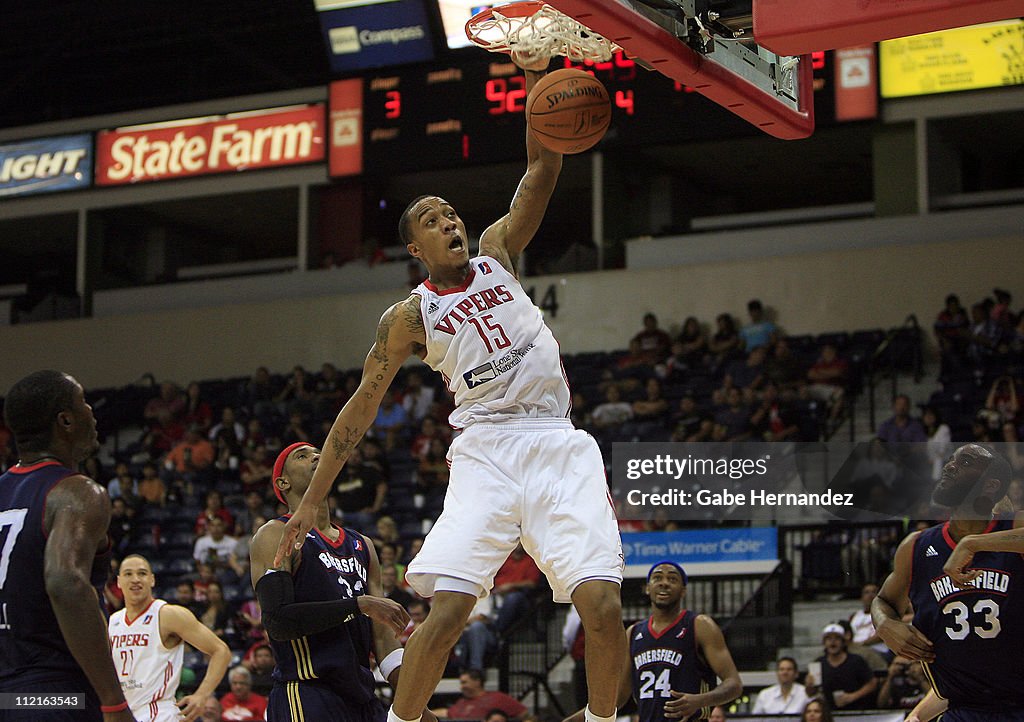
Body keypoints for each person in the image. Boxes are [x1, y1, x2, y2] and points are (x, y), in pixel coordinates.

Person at [273, 52, 625, 722]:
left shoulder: (497, 254)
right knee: (448, 613)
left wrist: (532, 83)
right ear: (416, 248)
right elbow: (359, 411)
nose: (448, 221)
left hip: (555, 441)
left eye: (450, 212)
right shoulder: (408, 316)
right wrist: (309, 504)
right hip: (487, 450)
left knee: (604, 607)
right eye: (431, 219)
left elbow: (543, 169)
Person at [0, 370, 137, 721]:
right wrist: (114, 703)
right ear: (66, 420)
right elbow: (65, 583)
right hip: (54, 696)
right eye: (84, 403)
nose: (91, 411)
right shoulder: (77, 492)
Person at [249, 443, 417, 722]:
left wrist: (413, 701)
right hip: (307, 690)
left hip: (362, 697)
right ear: (283, 482)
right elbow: (278, 621)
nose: (316, 456)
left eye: (319, 453)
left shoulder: (362, 545)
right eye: (302, 456)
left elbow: (383, 637)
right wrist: (358, 604)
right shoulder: (276, 533)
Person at [872, 443, 1024, 721]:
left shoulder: (1013, 529)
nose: (950, 465)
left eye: (966, 462)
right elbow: (883, 601)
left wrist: (972, 545)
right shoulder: (917, 546)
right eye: (952, 459)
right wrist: (884, 623)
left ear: (990, 485)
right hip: (963, 709)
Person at [565, 562, 741, 722]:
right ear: (648, 588)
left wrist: (699, 700)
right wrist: (575, 719)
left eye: (672, 579)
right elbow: (617, 697)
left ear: (683, 590)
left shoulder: (700, 625)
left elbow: (734, 684)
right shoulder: (633, 633)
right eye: (657, 578)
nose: (664, 583)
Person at [108, 554, 231, 722]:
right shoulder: (113, 620)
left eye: (142, 573)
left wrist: (201, 695)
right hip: (124, 711)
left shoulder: (168, 614)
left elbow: (221, 651)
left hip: (158, 711)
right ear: (118, 582)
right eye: (128, 574)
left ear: (152, 580)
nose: (135, 579)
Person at [804, 623, 877, 710]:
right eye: (829, 639)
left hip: (856, 711)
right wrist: (809, 685)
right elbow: (811, 693)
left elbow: (872, 683)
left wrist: (853, 696)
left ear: (843, 642)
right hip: (830, 713)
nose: (833, 642)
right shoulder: (818, 663)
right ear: (824, 643)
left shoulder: (856, 661)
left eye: (837, 638)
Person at [441, 669, 526, 720]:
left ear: (477, 682)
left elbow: (524, 714)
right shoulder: (462, 702)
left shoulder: (498, 697)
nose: (462, 686)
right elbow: (447, 712)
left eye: (464, 682)